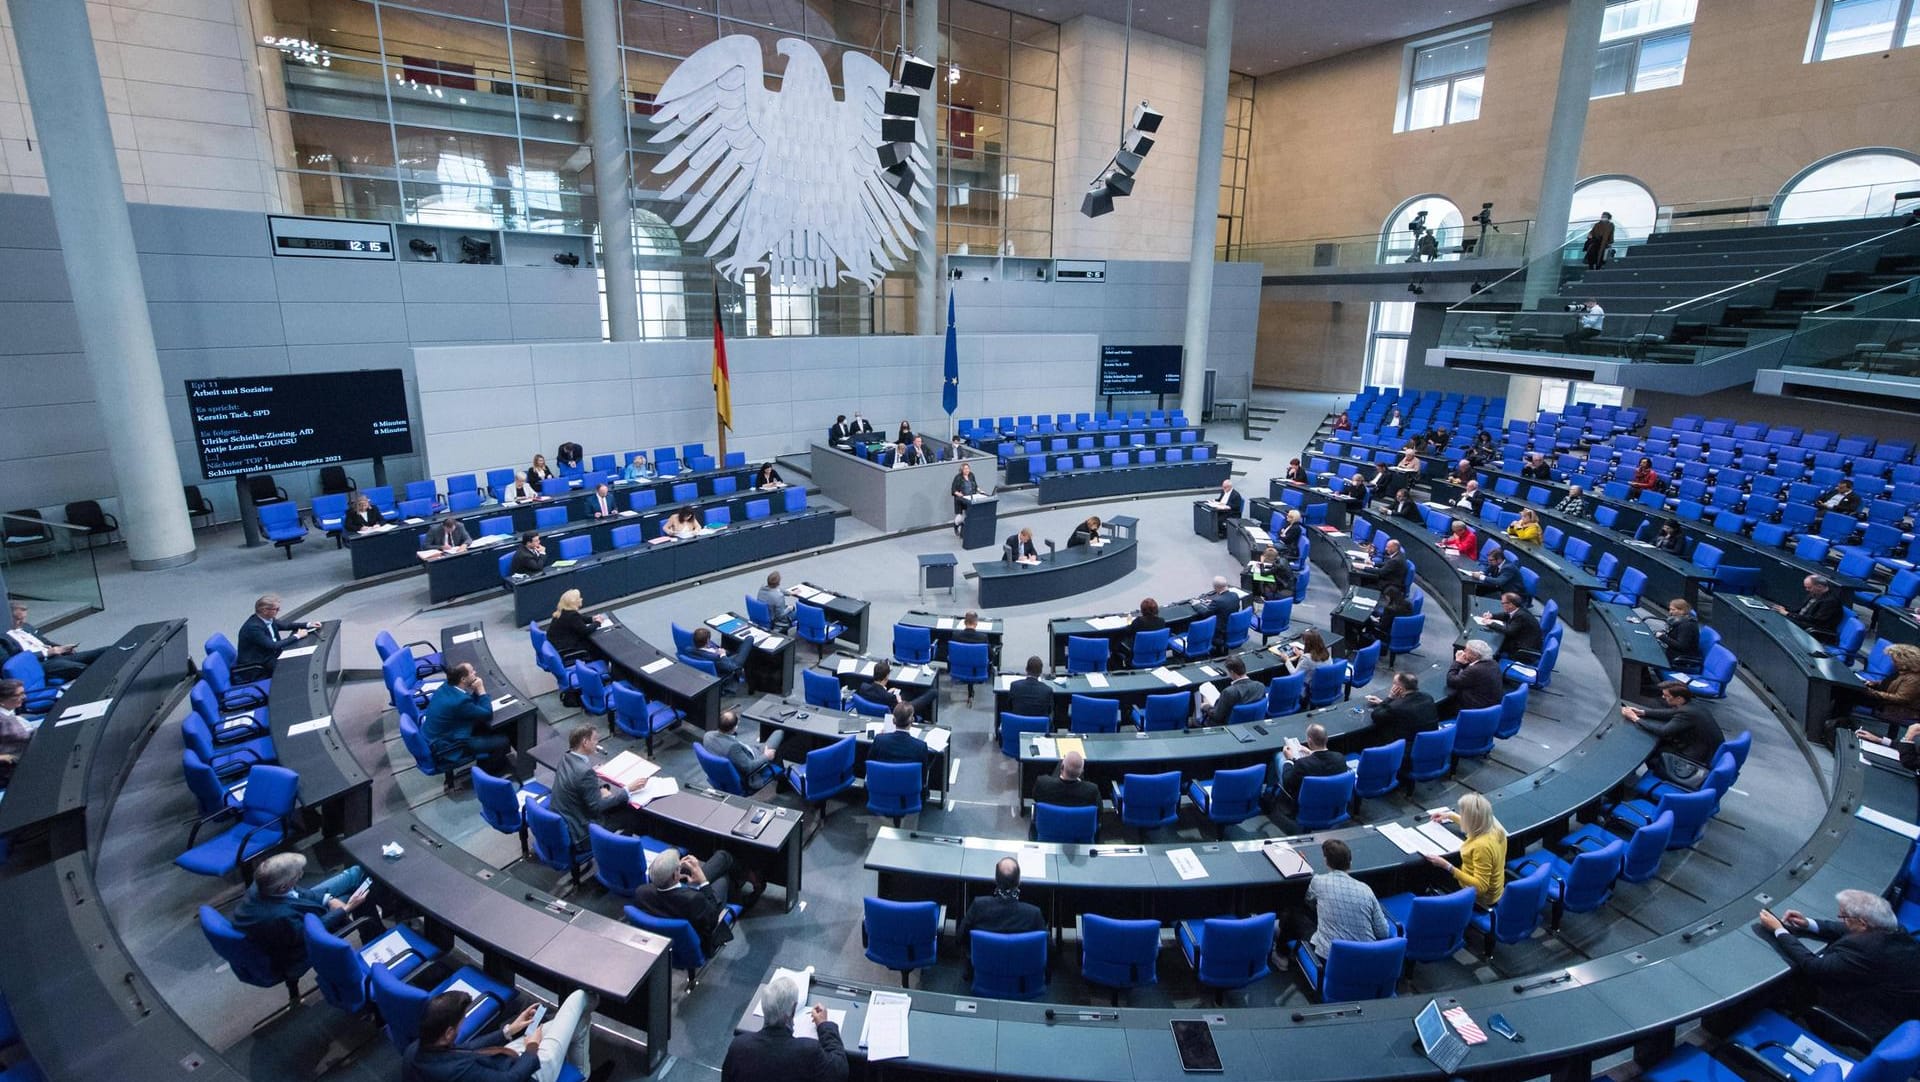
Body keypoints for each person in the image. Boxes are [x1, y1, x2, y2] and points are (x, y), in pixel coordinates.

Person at [1757, 891, 1920, 1043]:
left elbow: (1815, 966)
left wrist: (1779, 930)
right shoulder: (1895, 930)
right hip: (1901, 1006)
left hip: (1867, 1017)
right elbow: (1848, 929)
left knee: (1793, 981)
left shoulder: (1866, 949)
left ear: (1863, 924)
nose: (1842, 920)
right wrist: (1808, 924)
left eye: (1844, 917)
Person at [230, 852, 378, 980]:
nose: (301, 875)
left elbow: (298, 892)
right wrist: (345, 909)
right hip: (298, 946)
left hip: (298, 912)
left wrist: (328, 899)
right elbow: (311, 932)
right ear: (283, 887)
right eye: (298, 874)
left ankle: (385, 909)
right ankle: (375, 939)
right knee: (361, 895)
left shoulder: (263, 882)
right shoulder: (279, 917)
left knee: (356, 873)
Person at [404, 988, 601, 1082]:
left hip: (503, 1059)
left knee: (575, 1023)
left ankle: (581, 1071)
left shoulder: (417, 1050)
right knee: (579, 998)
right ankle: (583, 1076)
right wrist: (532, 1048)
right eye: (461, 1021)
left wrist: (509, 1030)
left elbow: (466, 1049)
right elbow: (512, 1080)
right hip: (530, 1073)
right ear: (448, 1033)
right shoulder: (459, 1072)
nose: (462, 1023)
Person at [1287, 839, 1393, 968]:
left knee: (1293, 912)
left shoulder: (1318, 882)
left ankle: (1280, 954)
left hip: (1330, 961)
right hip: (1367, 962)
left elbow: (1309, 902)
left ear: (1326, 861)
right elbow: (1383, 933)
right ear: (1351, 862)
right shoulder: (1366, 890)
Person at [720, 976, 845, 1082]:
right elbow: (840, 1070)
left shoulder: (738, 1047)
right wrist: (824, 1025)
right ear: (793, 1009)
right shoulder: (808, 1051)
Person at [632, 847, 748, 953]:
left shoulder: (641, 892)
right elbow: (712, 920)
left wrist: (678, 872)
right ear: (674, 876)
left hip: (677, 908)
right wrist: (703, 882)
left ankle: (742, 883)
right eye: (678, 868)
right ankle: (745, 886)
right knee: (723, 877)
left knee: (722, 857)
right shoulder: (694, 900)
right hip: (698, 936)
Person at [1623, 681, 1725, 787]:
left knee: (1650, 751)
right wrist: (1642, 712)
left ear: (1679, 698)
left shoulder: (1687, 713)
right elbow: (1670, 713)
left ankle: (1658, 778)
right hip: (1703, 749)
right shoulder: (1692, 705)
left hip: (1696, 757)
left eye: (1667, 696)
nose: (1663, 697)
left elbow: (1663, 731)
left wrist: (1635, 719)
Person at [423, 662, 511, 774]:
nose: (475, 673)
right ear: (463, 679)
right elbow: (487, 714)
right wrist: (481, 689)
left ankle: (487, 763)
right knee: (503, 741)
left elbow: (468, 706)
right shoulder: (459, 701)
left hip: (437, 736)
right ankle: (490, 774)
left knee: (485, 728)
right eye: (472, 671)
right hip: (449, 746)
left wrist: (475, 692)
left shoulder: (446, 687)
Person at [1424, 793, 1506, 908]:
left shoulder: (1481, 847)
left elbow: (1480, 887)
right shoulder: (1494, 827)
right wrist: (1450, 816)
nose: (1461, 815)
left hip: (1481, 898)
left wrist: (1447, 866)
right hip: (1496, 890)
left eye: (1463, 814)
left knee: (1429, 872)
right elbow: (1476, 823)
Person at [958, 857, 1046, 952]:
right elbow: (1047, 947)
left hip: (984, 965)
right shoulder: (1033, 914)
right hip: (1022, 966)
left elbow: (960, 937)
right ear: (1019, 881)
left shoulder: (979, 906)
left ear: (995, 880)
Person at [2, 603, 106, 680]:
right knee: (83, 669)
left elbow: (45, 641)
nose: (23, 622)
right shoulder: (3, 639)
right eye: (18, 619)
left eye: (24, 618)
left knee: (103, 652)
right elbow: (14, 662)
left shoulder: (26, 627)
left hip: (56, 655)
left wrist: (63, 648)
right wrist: (47, 653)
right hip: (41, 664)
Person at [234, 595, 318, 676]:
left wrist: (308, 624)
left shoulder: (267, 619)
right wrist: (297, 636)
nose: (279, 611)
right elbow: (273, 646)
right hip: (258, 665)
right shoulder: (253, 628)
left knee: (301, 660)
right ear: (265, 610)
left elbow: (286, 626)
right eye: (276, 609)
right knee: (296, 668)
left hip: (269, 655)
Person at [704, 709, 785, 792]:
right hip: (752, 762)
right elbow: (749, 768)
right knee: (779, 733)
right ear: (734, 728)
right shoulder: (732, 748)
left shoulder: (708, 735)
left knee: (765, 743)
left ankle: (781, 777)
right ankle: (783, 781)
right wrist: (766, 756)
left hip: (743, 753)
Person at [1275, 723, 1347, 812]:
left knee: (1278, 757)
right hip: (1333, 804)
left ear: (1309, 741)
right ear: (1326, 739)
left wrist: (1289, 760)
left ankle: (1269, 795)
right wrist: (1310, 753)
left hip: (1307, 807)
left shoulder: (1302, 764)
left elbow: (1287, 783)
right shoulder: (1340, 758)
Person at [1364, 671, 1439, 750]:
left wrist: (1390, 698)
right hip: (1430, 745)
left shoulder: (1397, 707)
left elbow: (1375, 715)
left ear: (1399, 688)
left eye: (1394, 683)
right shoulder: (1427, 697)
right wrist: (1382, 703)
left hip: (1406, 751)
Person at [1857, 643, 1920, 729]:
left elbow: (1901, 698)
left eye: (1894, 660)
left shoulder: (1914, 679)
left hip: (1893, 707)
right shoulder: (1902, 671)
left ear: (1905, 661)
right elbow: (1891, 684)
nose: (1892, 662)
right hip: (1883, 698)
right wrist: (1875, 683)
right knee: (1847, 690)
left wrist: (1873, 692)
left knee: (1848, 694)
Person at [1772, 575, 1845, 641]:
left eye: (1809, 587)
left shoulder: (1830, 601)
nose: (1807, 590)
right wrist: (1785, 610)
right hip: (1804, 621)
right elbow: (1800, 609)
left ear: (1819, 586)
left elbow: (1814, 620)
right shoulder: (1814, 593)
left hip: (1815, 629)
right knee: (1776, 614)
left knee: (1782, 621)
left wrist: (1787, 614)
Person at [856, 660, 936, 720]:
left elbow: (878, 695)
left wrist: (887, 692)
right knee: (933, 692)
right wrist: (899, 700)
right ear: (887, 677)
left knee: (908, 693)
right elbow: (901, 710)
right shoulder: (890, 697)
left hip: (872, 713)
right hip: (901, 713)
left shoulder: (863, 687)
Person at [1477, 592, 1543, 662]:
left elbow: (1509, 631)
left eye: (1503, 603)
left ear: (1510, 605)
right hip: (1524, 640)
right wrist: (1492, 616)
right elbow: (1507, 615)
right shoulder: (1519, 609)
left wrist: (1491, 623)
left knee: (1492, 645)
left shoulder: (1521, 616)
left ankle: (1490, 661)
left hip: (1523, 650)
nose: (1502, 605)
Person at [1443, 641, 1504, 715]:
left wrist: (1457, 662)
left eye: (1466, 650)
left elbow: (1451, 681)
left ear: (1475, 655)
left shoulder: (1475, 670)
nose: (1464, 651)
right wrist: (1464, 664)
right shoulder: (1493, 663)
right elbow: (1472, 676)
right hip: (1491, 707)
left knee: (1444, 705)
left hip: (1475, 710)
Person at [869, 702, 930, 775]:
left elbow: (870, 765)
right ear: (912, 720)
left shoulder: (879, 739)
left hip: (880, 784)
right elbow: (923, 775)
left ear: (893, 720)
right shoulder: (921, 746)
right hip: (909, 785)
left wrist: (882, 737)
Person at [1202, 657, 1266, 724]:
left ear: (1232, 672)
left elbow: (1217, 716)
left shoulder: (1229, 692)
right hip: (1252, 723)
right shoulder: (1260, 686)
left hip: (1228, 726)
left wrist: (1206, 706)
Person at [545, 590, 606, 661]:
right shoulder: (572, 615)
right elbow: (586, 631)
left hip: (558, 645)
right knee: (597, 646)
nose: (581, 599)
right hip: (567, 648)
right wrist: (598, 622)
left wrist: (592, 619)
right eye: (579, 598)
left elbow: (580, 619)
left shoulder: (563, 611)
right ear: (574, 602)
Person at [1033, 749, 1101, 806]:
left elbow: (1036, 798)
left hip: (1049, 821)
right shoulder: (1092, 791)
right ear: (1081, 772)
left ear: (1061, 767)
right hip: (1078, 822)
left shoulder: (1042, 784)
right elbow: (1098, 813)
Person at [1196, 576, 1242, 655]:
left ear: (1215, 587)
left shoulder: (1218, 601)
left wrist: (1196, 605)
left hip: (1220, 631)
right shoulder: (1235, 595)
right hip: (1232, 626)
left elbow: (1205, 613)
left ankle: (1215, 650)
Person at [0, 680, 32, 789]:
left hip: (27, 753)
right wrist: (2, 757)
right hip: (12, 769)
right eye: (18, 695)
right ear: (2, 700)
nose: (24, 697)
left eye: (23, 693)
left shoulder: (10, 712)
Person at [1657, 598, 1703, 671]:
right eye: (1670, 609)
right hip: (1672, 651)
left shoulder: (1687, 626)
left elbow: (1681, 646)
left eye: (1673, 610)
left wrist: (1662, 637)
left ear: (1682, 611)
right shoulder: (1679, 620)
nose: (1670, 612)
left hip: (1680, 658)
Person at [950, 463, 982, 534]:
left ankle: (967, 529)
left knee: (969, 514)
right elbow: (953, 490)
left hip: (971, 498)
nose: (967, 470)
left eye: (968, 468)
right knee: (959, 517)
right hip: (961, 500)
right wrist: (959, 494)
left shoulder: (971, 475)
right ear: (962, 470)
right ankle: (956, 526)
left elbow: (975, 485)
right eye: (965, 469)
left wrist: (980, 490)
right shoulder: (958, 477)